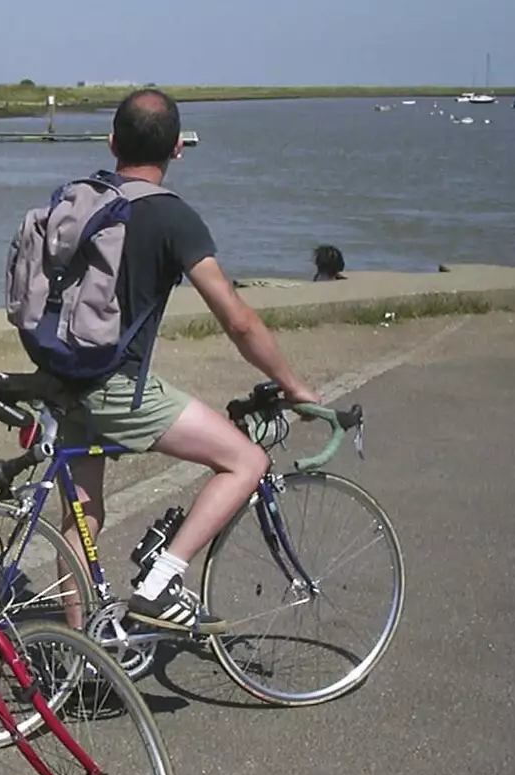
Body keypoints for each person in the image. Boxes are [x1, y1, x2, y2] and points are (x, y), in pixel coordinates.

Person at [46, 88, 321, 633]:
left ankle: (78, 658)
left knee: (82, 520)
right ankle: (161, 581)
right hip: (114, 385)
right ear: (177, 148)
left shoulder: (80, 198)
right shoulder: (172, 217)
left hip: (60, 377)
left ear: (111, 143)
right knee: (247, 461)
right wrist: (292, 383)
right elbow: (237, 319)